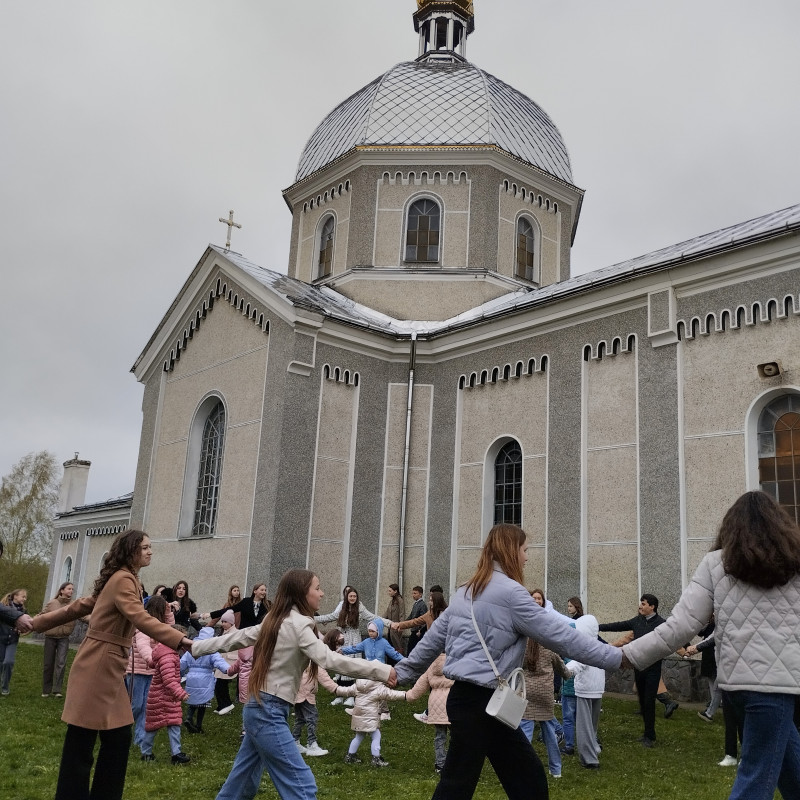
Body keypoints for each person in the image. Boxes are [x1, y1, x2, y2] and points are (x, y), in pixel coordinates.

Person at [394, 523, 623, 800]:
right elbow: (563, 637)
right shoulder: (513, 594)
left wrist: (400, 673)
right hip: (484, 703)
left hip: (472, 701)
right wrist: (617, 658)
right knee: (473, 784)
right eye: (525, 550)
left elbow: (431, 642)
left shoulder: (465, 592)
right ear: (511, 550)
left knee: (519, 779)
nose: (527, 557)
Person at [620, 491, 800, 800]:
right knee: (757, 777)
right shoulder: (795, 561)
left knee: (791, 770)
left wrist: (629, 655)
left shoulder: (716, 563)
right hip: (779, 687)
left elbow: (681, 625)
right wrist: (629, 656)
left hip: (737, 688)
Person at [190, 568, 398, 800]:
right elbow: (331, 660)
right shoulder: (297, 624)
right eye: (317, 588)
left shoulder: (277, 618)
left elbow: (238, 637)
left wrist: (195, 647)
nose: (321, 593)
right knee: (302, 787)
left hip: (260, 709)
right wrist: (381, 669)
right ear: (302, 592)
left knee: (240, 786)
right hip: (267, 712)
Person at [30, 529, 193, 800]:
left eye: (151, 547)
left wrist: (36, 622)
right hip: (98, 663)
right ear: (130, 551)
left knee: (117, 739)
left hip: (111, 665)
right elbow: (139, 617)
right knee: (81, 741)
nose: (150, 551)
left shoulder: (127, 579)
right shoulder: (122, 580)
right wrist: (180, 639)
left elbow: (80, 605)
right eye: (145, 547)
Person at [598, 594, 673, 746]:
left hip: (653, 668)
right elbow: (618, 625)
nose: (640, 606)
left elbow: (675, 636)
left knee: (649, 701)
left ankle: (650, 736)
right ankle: (646, 733)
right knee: (642, 701)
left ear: (652, 607)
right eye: (641, 603)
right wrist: (597, 626)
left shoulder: (661, 624)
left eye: (643, 604)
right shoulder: (637, 621)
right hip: (639, 667)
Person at [315, 586, 388, 707]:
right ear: (346, 597)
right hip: (341, 638)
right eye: (350, 596)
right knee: (339, 664)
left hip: (354, 639)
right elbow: (329, 617)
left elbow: (374, 618)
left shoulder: (360, 608)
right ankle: (339, 695)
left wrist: (391, 623)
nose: (352, 598)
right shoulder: (342, 608)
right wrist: (311, 618)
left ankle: (352, 696)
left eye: (354, 596)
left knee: (351, 666)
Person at [141, 624, 191, 764]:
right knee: (154, 726)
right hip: (162, 697)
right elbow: (169, 680)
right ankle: (147, 753)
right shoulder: (168, 657)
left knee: (171, 724)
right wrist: (181, 693)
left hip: (165, 697)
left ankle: (175, 753)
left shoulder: (167, 653)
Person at [520, 636, 570, 779]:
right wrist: (570, 673)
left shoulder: (523, 648)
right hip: (545, 694)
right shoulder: (550, 648)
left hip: (526, 692)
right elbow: (563, 671)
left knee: (525, 734)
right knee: (550, 734)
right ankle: (556, 770)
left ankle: (523, 768)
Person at [125, 594, 169, 747]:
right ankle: (120, 732)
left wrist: (169, 612)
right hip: (137, 671)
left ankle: (140, 740)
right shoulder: (144, 625)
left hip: (151, 673)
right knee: (135, 705)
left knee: (146, 708)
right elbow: (143, 645)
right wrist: (151, 659)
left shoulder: (160, 626)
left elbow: (170, 631)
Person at [564, 615, 605, 770]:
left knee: (584, 727)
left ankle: (589, 759)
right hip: (597, 690)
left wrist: (564, 670)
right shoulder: (599, 646)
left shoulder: (585, 649)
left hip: (585, 690)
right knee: (592, 725)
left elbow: (576, 665)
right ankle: (593, 748)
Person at [293, 629, 342, 757]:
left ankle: (295, 742)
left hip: (297, 691)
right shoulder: (313, 658)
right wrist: (336, 689)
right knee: (312, 718)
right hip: (306, 693)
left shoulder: (299, 653)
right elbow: (323, 677)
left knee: (300, 718)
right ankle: (311, 744)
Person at [339, 678, 407, 767]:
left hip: (359, 716)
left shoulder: (358, 684)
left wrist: (335, 689)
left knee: (358, 736)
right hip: (370, 717)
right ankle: (376, 758)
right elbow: (391, 694)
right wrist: (406, 695)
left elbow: (346, 690)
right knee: (376, 736)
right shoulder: (378, 687)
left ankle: (350, 756)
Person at [405, 653, 453, 774]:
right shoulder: (456, 663)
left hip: (436, 705)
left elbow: (420, 685)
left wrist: (409, 696)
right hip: (453, 703)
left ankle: (440, 764)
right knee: (457, 736)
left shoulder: (432, 666)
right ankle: (455, 763)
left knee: (440, 736)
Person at [180, 624, 230, 733]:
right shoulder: (211, 650)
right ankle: (198, 725)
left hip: (191, 677)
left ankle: (189, 718)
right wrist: (228, 670)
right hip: (205, 678)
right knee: (203, 703)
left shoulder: (192, 648)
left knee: (191, 700)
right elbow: (219, 661)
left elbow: (182, 663)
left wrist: (177, 673)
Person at [41, 582, 79, 698]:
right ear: (62, 590)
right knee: (48, 664)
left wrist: (95, 620)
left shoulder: (74, 605)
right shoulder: (52, 603)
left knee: (61, 663)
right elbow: (42, 615)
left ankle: (57, 690)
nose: (71, 591)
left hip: (64, 638)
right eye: (69, 589)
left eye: (72, 589)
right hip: (50, 637)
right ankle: (46, 690)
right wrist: (30, 624)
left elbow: (84, 616)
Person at [0, 587, 27, 695]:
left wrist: (21, 630)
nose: (24, 599)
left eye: (25, 597)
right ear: (15, 596)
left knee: (9, 662)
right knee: (1, 663)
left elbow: (25, 627)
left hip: (13, 641)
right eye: (23, 596)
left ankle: (5, 687)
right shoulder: (4, 607)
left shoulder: (24, 611)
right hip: (1, 639)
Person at [213, 609, 238, 714]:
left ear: (231, 622)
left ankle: (227, 705)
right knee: (219, 684)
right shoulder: (225, 632)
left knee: (220, 684)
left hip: (229, 661)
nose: (223, 624)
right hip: (224, 660)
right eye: (222, 622)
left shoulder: (234, 633)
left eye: (225, 622)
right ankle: (221, 705)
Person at [405, 585, 428, 655]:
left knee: (413, 650)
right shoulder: (415, 604)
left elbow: (423, 618)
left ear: (420, 594)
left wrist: (420, 630)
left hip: (417, 632)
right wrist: (402, 624)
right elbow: (411, 616)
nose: (413, 595)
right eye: (412, 593)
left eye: (415, 593)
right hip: (413, 630)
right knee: (410, 649)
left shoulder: (422, 605)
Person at [384, 583, 406, 655]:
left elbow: (402, 614)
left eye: (390, 591)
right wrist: (380, 620)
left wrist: (401, 625)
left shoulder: (400, 600)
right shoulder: (392, 601)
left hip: (396, 628)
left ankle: (399, 663)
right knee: (390, 646)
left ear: (395, 591)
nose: (388, 593)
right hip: (390, 628)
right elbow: (387, 612)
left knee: (397, 646)